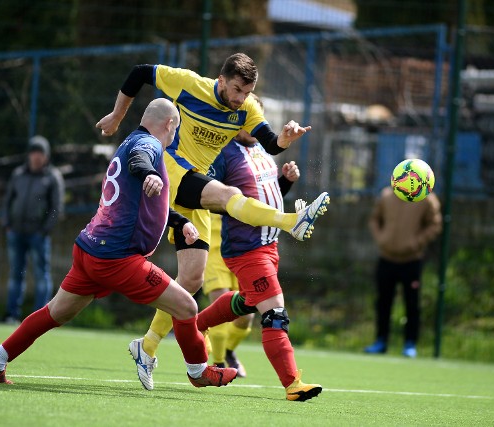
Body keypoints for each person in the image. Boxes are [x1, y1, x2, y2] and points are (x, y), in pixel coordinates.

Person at [96, 52, 330, 390]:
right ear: (221, 80)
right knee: (225, 195)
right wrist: (118, 115)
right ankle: (290, 221)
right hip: (171, 170)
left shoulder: (247, 108)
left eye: (246, 92)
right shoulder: (191, 85)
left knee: (190, 279)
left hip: (194, 189)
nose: (239, 98)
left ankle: (145, 347)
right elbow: (140, 72)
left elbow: (269, 143)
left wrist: (284, 139)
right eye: (236, 89)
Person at [0, 98, 238, 389]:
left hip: (90, 250)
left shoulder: (128, 142)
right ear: (169, 124)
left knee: (54, 313)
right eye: (176, 130)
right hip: (117, 258)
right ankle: (198, 371)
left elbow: (142, 200)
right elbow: (142, 161)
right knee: (187, 307)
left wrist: (179, 222)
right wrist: (150, 172)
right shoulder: (148, 145)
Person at [196, 120, 324, 401]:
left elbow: (265, 197)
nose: (252, 124)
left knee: (247, 301)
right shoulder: (224, 153)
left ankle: (194, 324)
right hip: (246, 248)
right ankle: (292, 385)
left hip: (269, 244)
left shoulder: (264, 150)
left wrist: (286, 183)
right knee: (275, 314)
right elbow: (207, 196)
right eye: (245, 116)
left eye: (256, 116)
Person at [364, 186, 442, 358]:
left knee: (412, 304)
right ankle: (381, 341)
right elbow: (374, 220)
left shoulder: (427, 199)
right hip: (386, 258)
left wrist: (416, 243)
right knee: (383, 302)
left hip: (412, 261)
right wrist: (381, 239)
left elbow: (435, 224)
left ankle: (410, 344)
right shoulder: (386, 195)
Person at [1, 135, 65, 324]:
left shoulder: (52, 177)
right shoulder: (18, 175)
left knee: (41, 274)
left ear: (46, 157)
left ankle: (40, 319)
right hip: (16, 233)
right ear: (28, 155)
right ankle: (11, 314)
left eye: (40, 153)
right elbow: (7, 201)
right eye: (33, 153)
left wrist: (44, 231)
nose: (36, 157)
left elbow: (56, 208)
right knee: (15, 274)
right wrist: (7, 225)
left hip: (38, 235)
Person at [202, 212, 253, 377]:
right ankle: (218, 363)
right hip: (214, 250)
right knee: (220, 311)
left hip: (242, 252)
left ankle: (228, 351)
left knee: (247, 317)